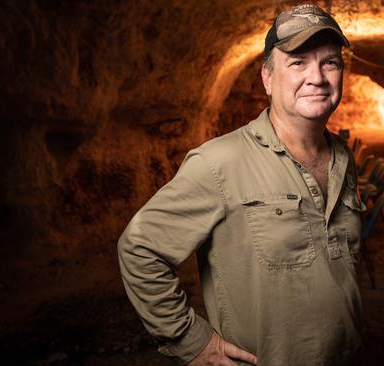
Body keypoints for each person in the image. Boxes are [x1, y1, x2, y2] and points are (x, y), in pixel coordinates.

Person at [118, 4, 366, 365]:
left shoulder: (343, 158)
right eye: (297, 62)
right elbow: (139, 249)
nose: (317, 76)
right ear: (267, 78)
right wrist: (194, 342)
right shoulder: (220, 162)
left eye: (330, 62)